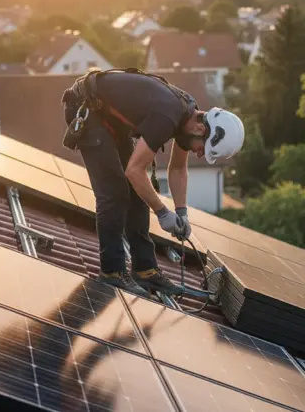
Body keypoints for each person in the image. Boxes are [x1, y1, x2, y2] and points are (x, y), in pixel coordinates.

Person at [61, 69, 245, 297]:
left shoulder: (189, 114)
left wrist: (181, 212)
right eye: (203, 148)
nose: (199, 154)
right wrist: (162, 213)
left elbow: (177, 168)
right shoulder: (167, 117)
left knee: (138, 191)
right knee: (115, 193)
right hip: (88, 110)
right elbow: (134, 171)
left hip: (109, 118)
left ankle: (145, 269)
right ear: (200, 128)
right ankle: (112, 273)